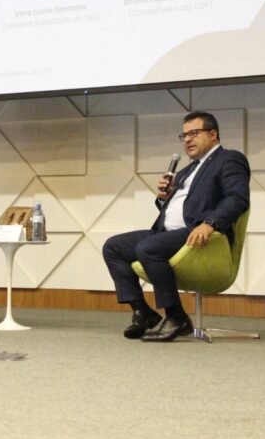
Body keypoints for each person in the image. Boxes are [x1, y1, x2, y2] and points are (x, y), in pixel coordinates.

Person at [102, 111, 250, 342]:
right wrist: (165, 196)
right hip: (167, 233)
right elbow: (176, 206)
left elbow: (237, 198)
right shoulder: (186, 171)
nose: (188, 139)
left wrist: (210, 223)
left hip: (196, 232)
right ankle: (143, 312)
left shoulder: (229, 159)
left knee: (148, 248)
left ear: (213, 135)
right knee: (113, 247)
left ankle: (176, 317)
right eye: (184, 135)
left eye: (194, 133)